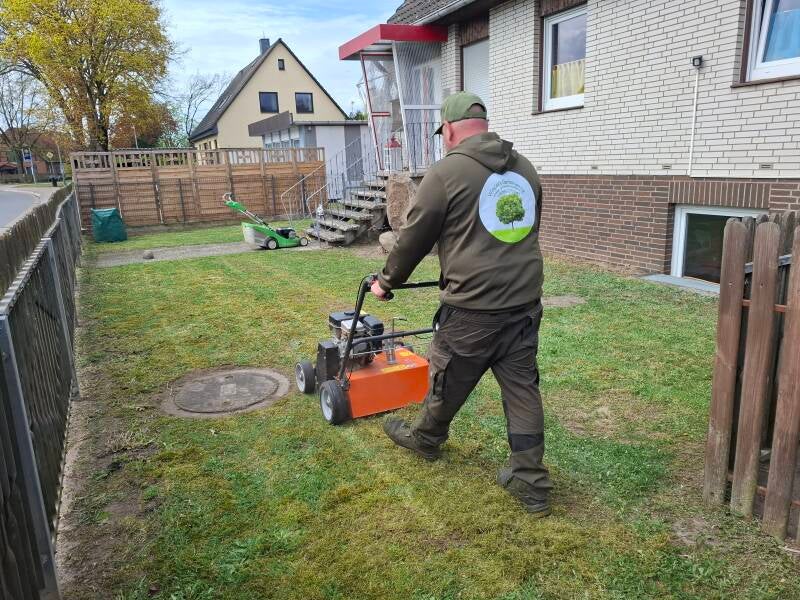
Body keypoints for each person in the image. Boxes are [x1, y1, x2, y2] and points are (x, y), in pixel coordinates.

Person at [370, 92, 553, 516]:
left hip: (473, 308)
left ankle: (426, 439)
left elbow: (414, 238)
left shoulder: (446, 173)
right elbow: (527, 229)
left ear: (449, 128)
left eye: (443, 133)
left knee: (448, 373)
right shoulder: (525, 169)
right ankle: (530, 480)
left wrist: (386, 282)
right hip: (524, 304)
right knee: (522, 389)